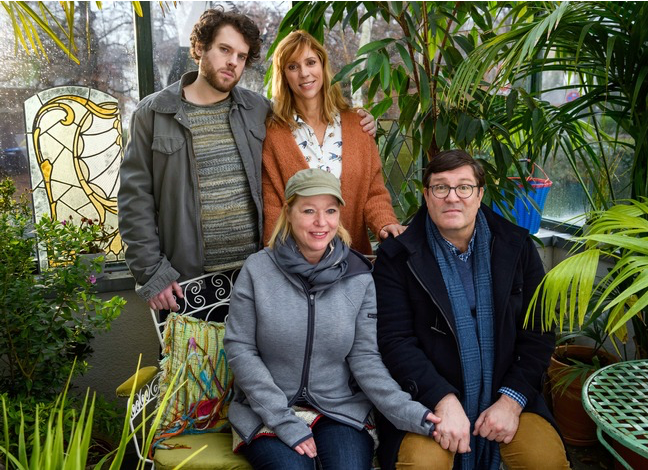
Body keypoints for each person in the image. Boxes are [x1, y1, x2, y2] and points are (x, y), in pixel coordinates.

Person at [118, 9, 375, 313]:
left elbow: (310, 125)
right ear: (199, 47)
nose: (233, 62)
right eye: (225, 50)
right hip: (187, 284)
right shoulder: (153, 113)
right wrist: (152, 273)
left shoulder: (259, 110)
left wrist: (359, 122)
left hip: (260, 279)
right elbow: (135, 201)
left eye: (241, 56)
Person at [224, 168, 440, 470]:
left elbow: (365, 358)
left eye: (330, 210)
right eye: (308, 210)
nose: (321, 222)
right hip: (267, 411)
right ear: (288, 212)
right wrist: (283, 420)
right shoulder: (258, 270)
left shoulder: (358, 276)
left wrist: (413, 413)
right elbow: (240, 349)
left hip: (339, 409)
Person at [372, 150, 570, 470]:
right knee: (423, 465)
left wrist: (511, 400)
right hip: (426, 399)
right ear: (426, 195)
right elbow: (395, 341)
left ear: (479, 194)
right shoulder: (397, 256)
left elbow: (539, 331)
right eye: (441, 187)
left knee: (544, 461)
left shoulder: (516, 246)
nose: (452, 197)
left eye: (464, 187)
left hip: (507, 390)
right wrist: (443, 399)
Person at [262, 30, 404, 256]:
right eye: (293, 66)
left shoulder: (358, 125)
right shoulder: (274, 134)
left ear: (323, 66)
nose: (304, 73)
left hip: (353, 259)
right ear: (284, 75)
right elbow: (273, 207)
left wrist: (386, 223)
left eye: (310, 62)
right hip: (298, 263)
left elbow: (373, 192)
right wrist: (276, 261)